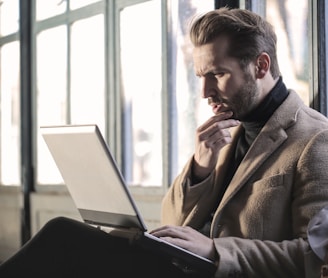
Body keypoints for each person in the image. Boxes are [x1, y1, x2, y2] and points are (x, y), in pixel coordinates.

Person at [1, 7, 328, 278]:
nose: (205, 92)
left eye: (217, 74)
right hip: (180, 268)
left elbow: (315, 256)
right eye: (201, 76)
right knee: (67, 239)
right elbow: (171, 222)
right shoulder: (225, 130)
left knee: (64, 240)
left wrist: (215, 251)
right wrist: (200, 168)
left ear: (261, 66)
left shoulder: (315, 140)